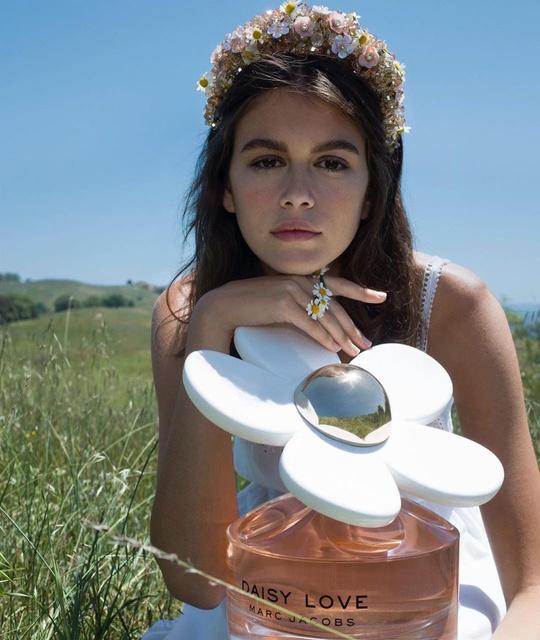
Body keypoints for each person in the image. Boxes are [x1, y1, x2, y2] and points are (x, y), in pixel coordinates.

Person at [142, 3, 540, 639]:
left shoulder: (451, 303)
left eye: (332, 162)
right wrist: (213, 323)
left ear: (372, 190)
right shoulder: (189, 312)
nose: (298, 193)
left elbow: (534, 586)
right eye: (266, 160)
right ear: (225, 186)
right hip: (265, 590)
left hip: (430, 585)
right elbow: (196, 580)